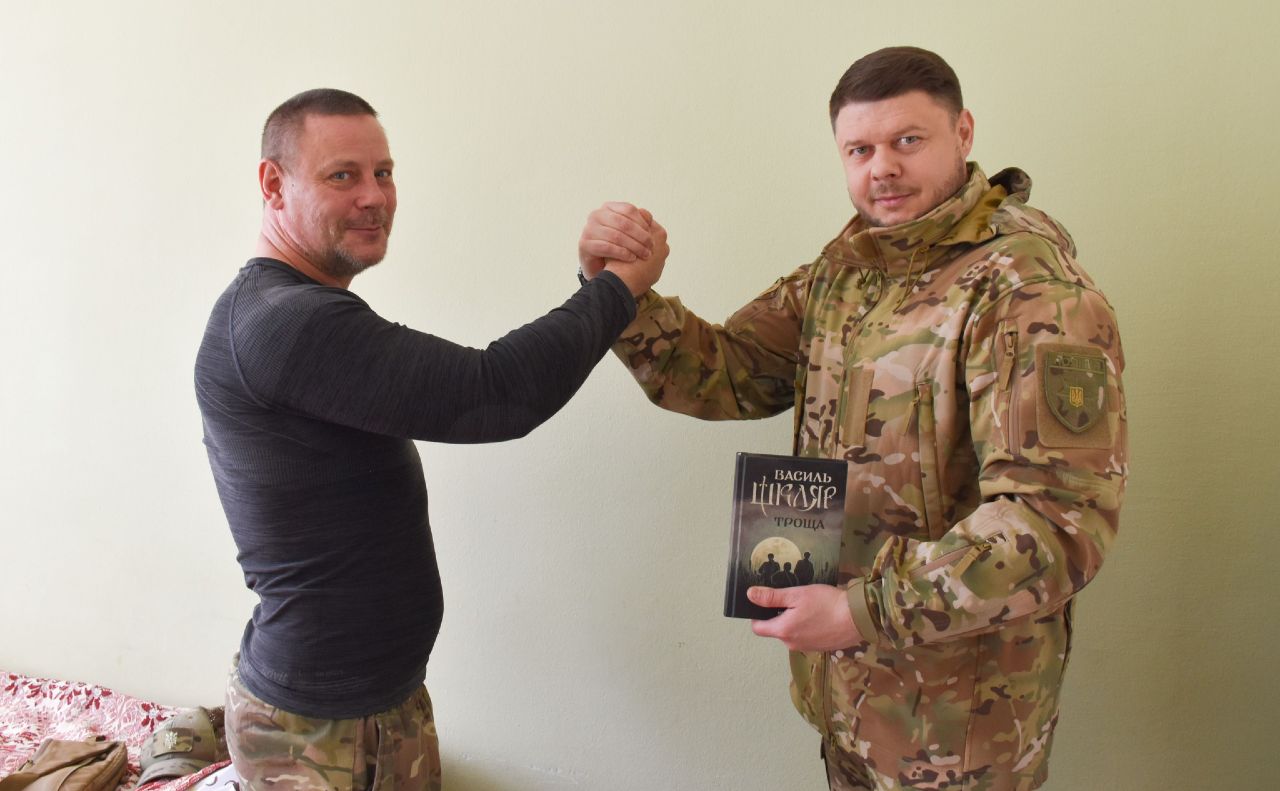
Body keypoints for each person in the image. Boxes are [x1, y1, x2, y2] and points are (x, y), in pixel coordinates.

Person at [578, 47, 1127, 791]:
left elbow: (1056, 523)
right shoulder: (848, 271)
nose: (883, 168)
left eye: (908, 140)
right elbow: (725, 372)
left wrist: (863, 610)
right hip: (849, 698)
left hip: (960, 726)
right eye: (859, 149)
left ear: (964, 133)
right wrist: (618, 291)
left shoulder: (1029, 292)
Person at [194, 88, 666, 791]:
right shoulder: (286, 322)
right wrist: (616, 288)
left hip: (378, 705)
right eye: (342, 175)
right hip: (316, 731)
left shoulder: (300, 308)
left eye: (383, 172)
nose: (374, 196)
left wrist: (600, 286)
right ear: (273, 184)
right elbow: (496, 392)